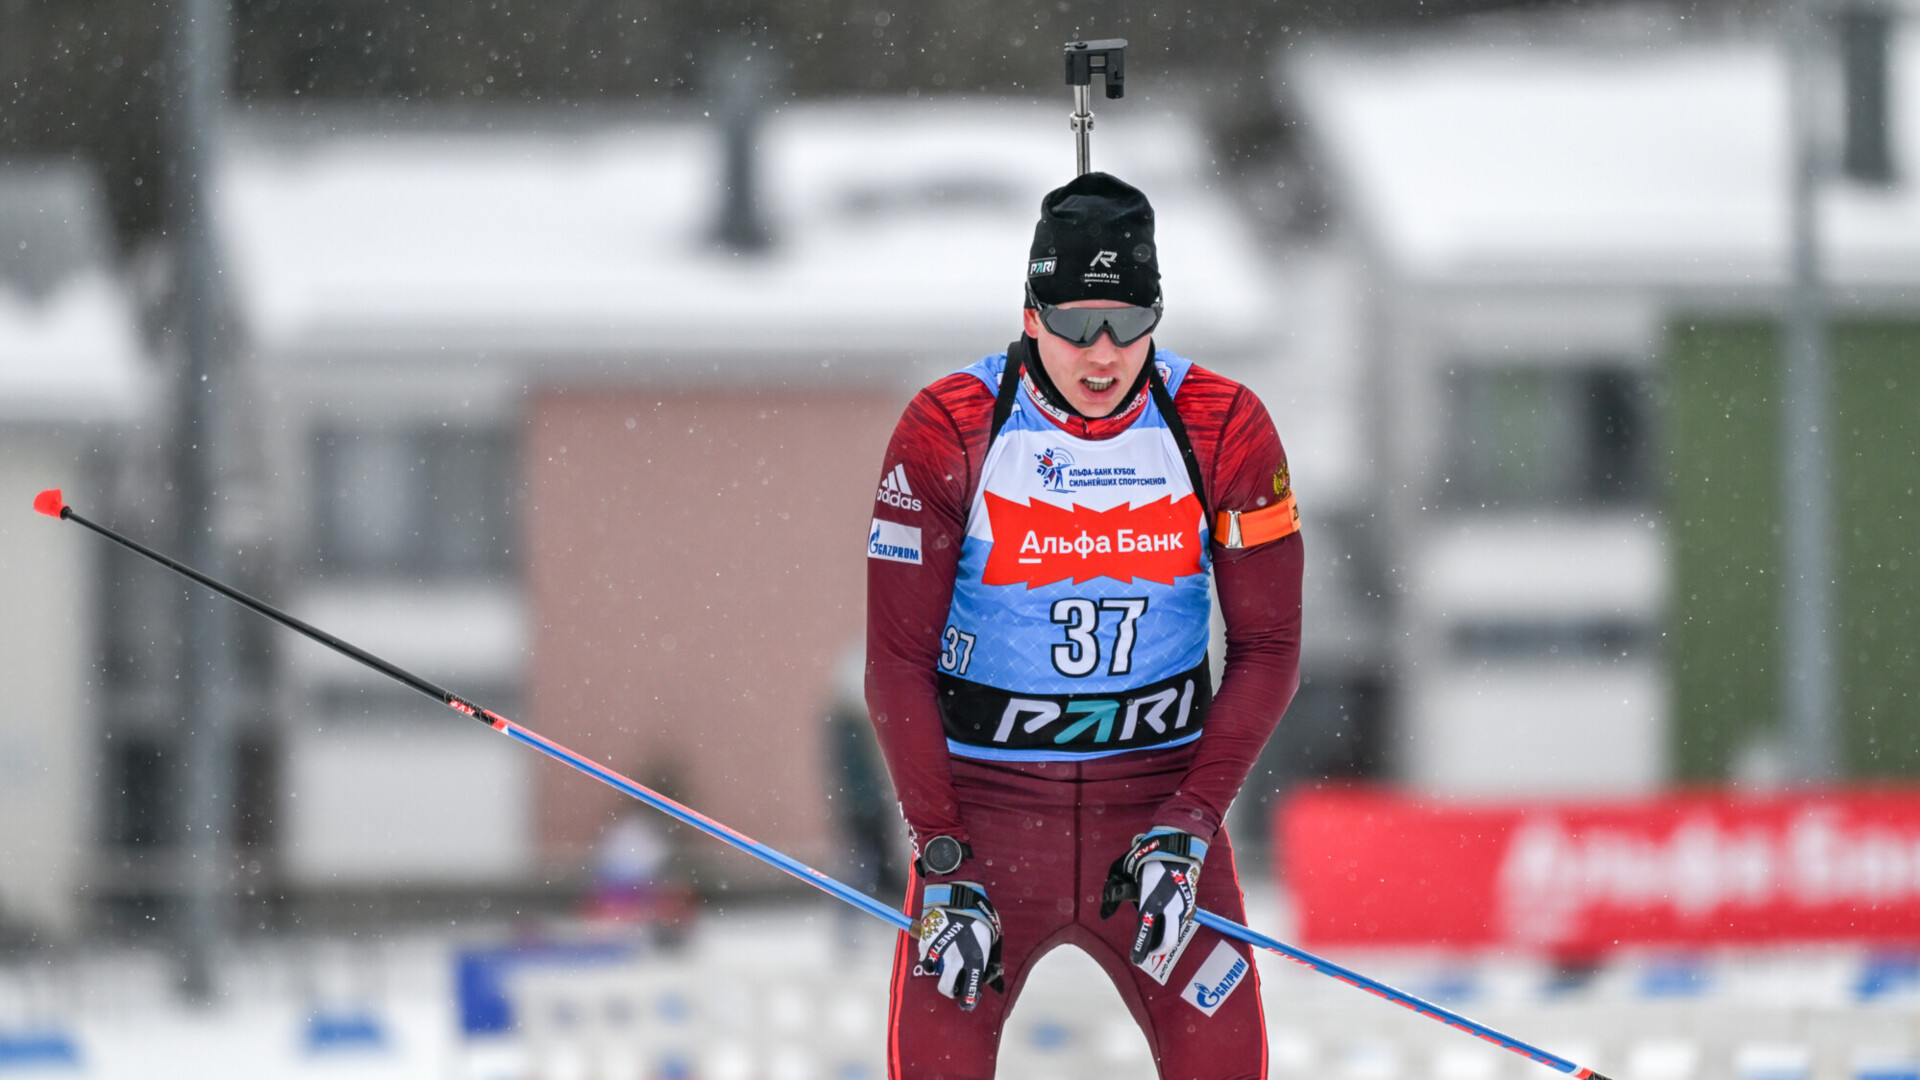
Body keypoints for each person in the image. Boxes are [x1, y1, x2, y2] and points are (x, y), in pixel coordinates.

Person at [864, 171, 1304, 1079]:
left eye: (1129, 322)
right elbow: (898, 664)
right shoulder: (951, 426)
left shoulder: (1224, 426)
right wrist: (943, 855)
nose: (1102, 355)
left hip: (1154, 828)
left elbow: (1269, 650)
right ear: (1030, 313)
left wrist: (1189, 824)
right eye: (1073, 324)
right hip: (984, 824)